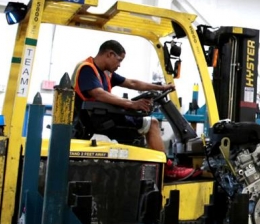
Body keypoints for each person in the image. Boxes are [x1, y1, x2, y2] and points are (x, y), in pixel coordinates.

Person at [73, 40, 197, 180]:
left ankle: (156, 167)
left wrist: (160, 88)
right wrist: (131, 104)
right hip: (98, 122)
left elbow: (132, 83)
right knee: (152, 124)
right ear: (109, 54)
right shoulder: (87, 69)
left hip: (104, 117)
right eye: (119, 60)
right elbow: (98, 94)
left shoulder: (105, 73)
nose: (119, 65)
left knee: (145, 123)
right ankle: (166, 170)